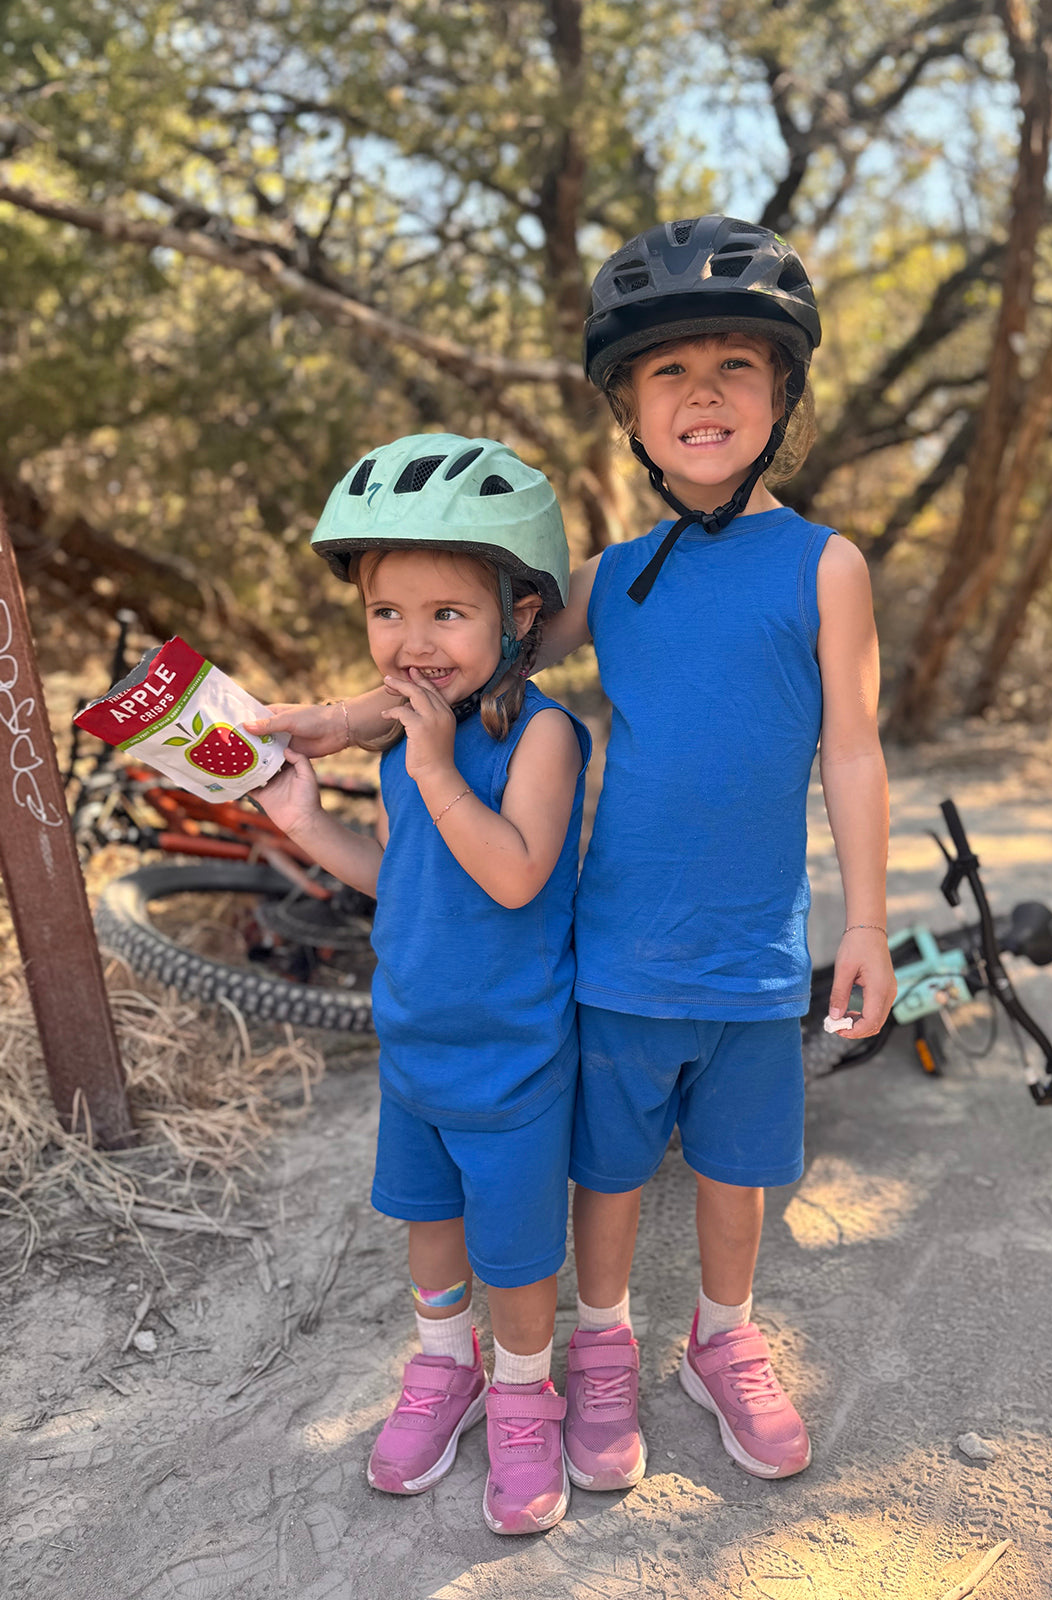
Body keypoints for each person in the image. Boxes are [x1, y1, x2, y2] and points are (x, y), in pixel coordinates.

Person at [250, 216, 895, 1490]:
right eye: (669, 372)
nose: (702, 394)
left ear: (782, 393)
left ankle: (722, 1338)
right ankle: (599, 1347)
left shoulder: (827, 567)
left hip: (755, 951)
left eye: (736, 366)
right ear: (630, 411)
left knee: (736, 1170)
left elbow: (856, 753)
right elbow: (465, 655)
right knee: (608, 1169)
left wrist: (867, 922)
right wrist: (338, 719)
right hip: (617, 954)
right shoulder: (611, 576)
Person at [253, 435, 590, 1536]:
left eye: (447, 612)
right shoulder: (404, 748)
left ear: (520, 615)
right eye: (386, 613)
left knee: (517, 1251)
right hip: (415, 1043)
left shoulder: (543, 736)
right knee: (431, 1225)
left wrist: (438, 764)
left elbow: (514, 871)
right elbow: (404, 873)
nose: (412, 641)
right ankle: (446, 1364)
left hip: (512, 1053)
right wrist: (309, 827)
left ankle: (525, 1392)